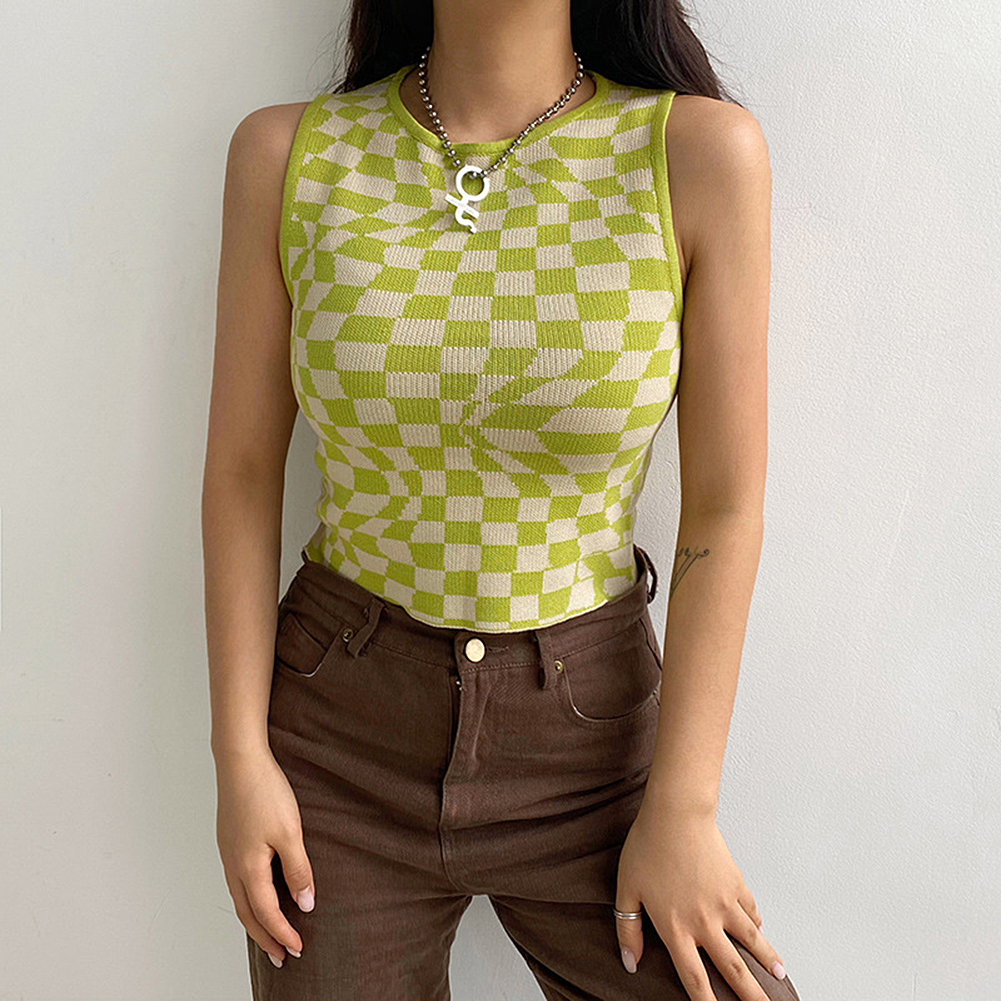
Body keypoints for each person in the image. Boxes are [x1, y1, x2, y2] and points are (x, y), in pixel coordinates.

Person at [203, 2, 798, 999]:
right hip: (337, 744)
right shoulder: (288, 156)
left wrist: (684, 807)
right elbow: (241, 472)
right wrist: (238, 758)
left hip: (592, 741)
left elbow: (725, 503)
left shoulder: (696, 154)